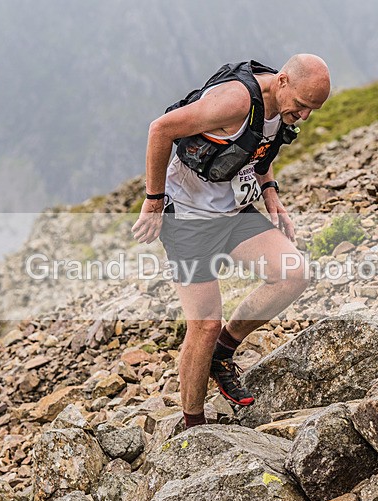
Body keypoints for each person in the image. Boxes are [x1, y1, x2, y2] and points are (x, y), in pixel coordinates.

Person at [131, 54, 331, 429]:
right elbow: (160, 130)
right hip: (188, 217)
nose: (304, 116)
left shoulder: (281, 104)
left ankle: (223, 352)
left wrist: (270, 192)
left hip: (234, 210)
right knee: (204, 323)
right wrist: (154, 200)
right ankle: (193, 425)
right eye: (302, 106)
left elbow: (260, 146)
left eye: (312, 110)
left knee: (293, 274)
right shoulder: (235, 101)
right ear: (283, 81)